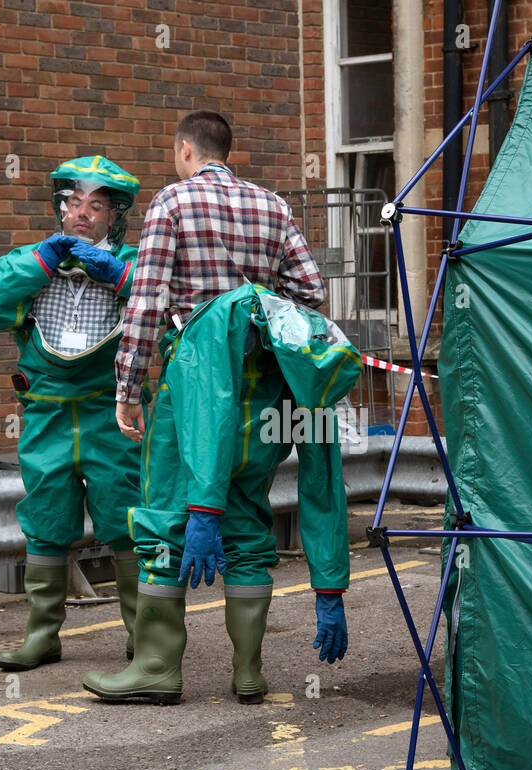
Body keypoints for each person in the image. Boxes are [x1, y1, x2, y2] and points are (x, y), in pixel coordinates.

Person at [81, 111, 358, 705]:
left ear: (185, 149)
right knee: (246, 516)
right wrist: (250, 305)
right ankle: (248, 673)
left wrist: (128, 389)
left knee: (167, 514)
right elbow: (310, 294)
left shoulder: (172, 203)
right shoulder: (274, 207)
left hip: (195, 382)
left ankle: (156, 668)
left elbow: (147, 299)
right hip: (263, 389)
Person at [0, 155, 148, 671]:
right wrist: (42, 262)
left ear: (115, 214)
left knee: (128, 519)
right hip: (46, 412)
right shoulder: (29, 260)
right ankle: (42, 636)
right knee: (46, 521)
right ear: (59, 207)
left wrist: (116, 274)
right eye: (74, 202)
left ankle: (144, 638)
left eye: (97, 204)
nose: (83, 213)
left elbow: (169, 301)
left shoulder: (135, 262)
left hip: (111, 411)